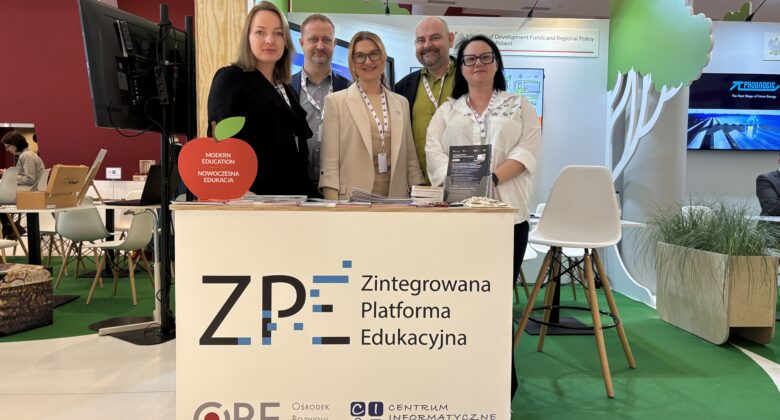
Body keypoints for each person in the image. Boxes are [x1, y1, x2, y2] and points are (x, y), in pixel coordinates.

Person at [425, 34, 542, 403]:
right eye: (470, 59)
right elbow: (434, 155)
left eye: (485, 57)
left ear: (496, 63)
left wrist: (490, 179)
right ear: (460, 67)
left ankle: (501, 386)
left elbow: (527, 150)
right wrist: (466, 183)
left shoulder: (519, 105)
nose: (478, 64)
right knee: (463, 300)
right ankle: (462, 379)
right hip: (461, 220)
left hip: (508, 219)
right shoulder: (447, 111)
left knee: (497, 302)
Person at [207, 1, 312, 196]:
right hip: (253, 201)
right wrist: (241, 195)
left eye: (278, 33)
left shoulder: (287, 89)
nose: (270, 40)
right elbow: (220, 146)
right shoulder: (231, 79)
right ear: (247, 38)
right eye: (260, 32)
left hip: (293, 200)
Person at [319, 31, 424, 200]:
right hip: (352, 201)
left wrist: (419, 199)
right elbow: (330, 165)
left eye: (374, 54)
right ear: (352, 62)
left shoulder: (401, 103)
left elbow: (411, 159)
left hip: (396, 200)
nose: (368, 61)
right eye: (360, 56)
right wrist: (333, 207)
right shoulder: (335, 102)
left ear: (383, 57)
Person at [290, 14, 350, 197]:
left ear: (334, 43)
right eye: (313, 39)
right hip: (295, 188)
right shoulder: (284, 88)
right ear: (301, 43)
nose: (320, 46)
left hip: (338, 189)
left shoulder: (350, 90)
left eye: (326, 40)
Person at [394, 17, 456, 184]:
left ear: (450, 39)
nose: (427, 45)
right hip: (418, 187)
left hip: (463, 184)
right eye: (421, 40)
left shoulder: (468, 80)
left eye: (435, 37)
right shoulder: (402, 88)